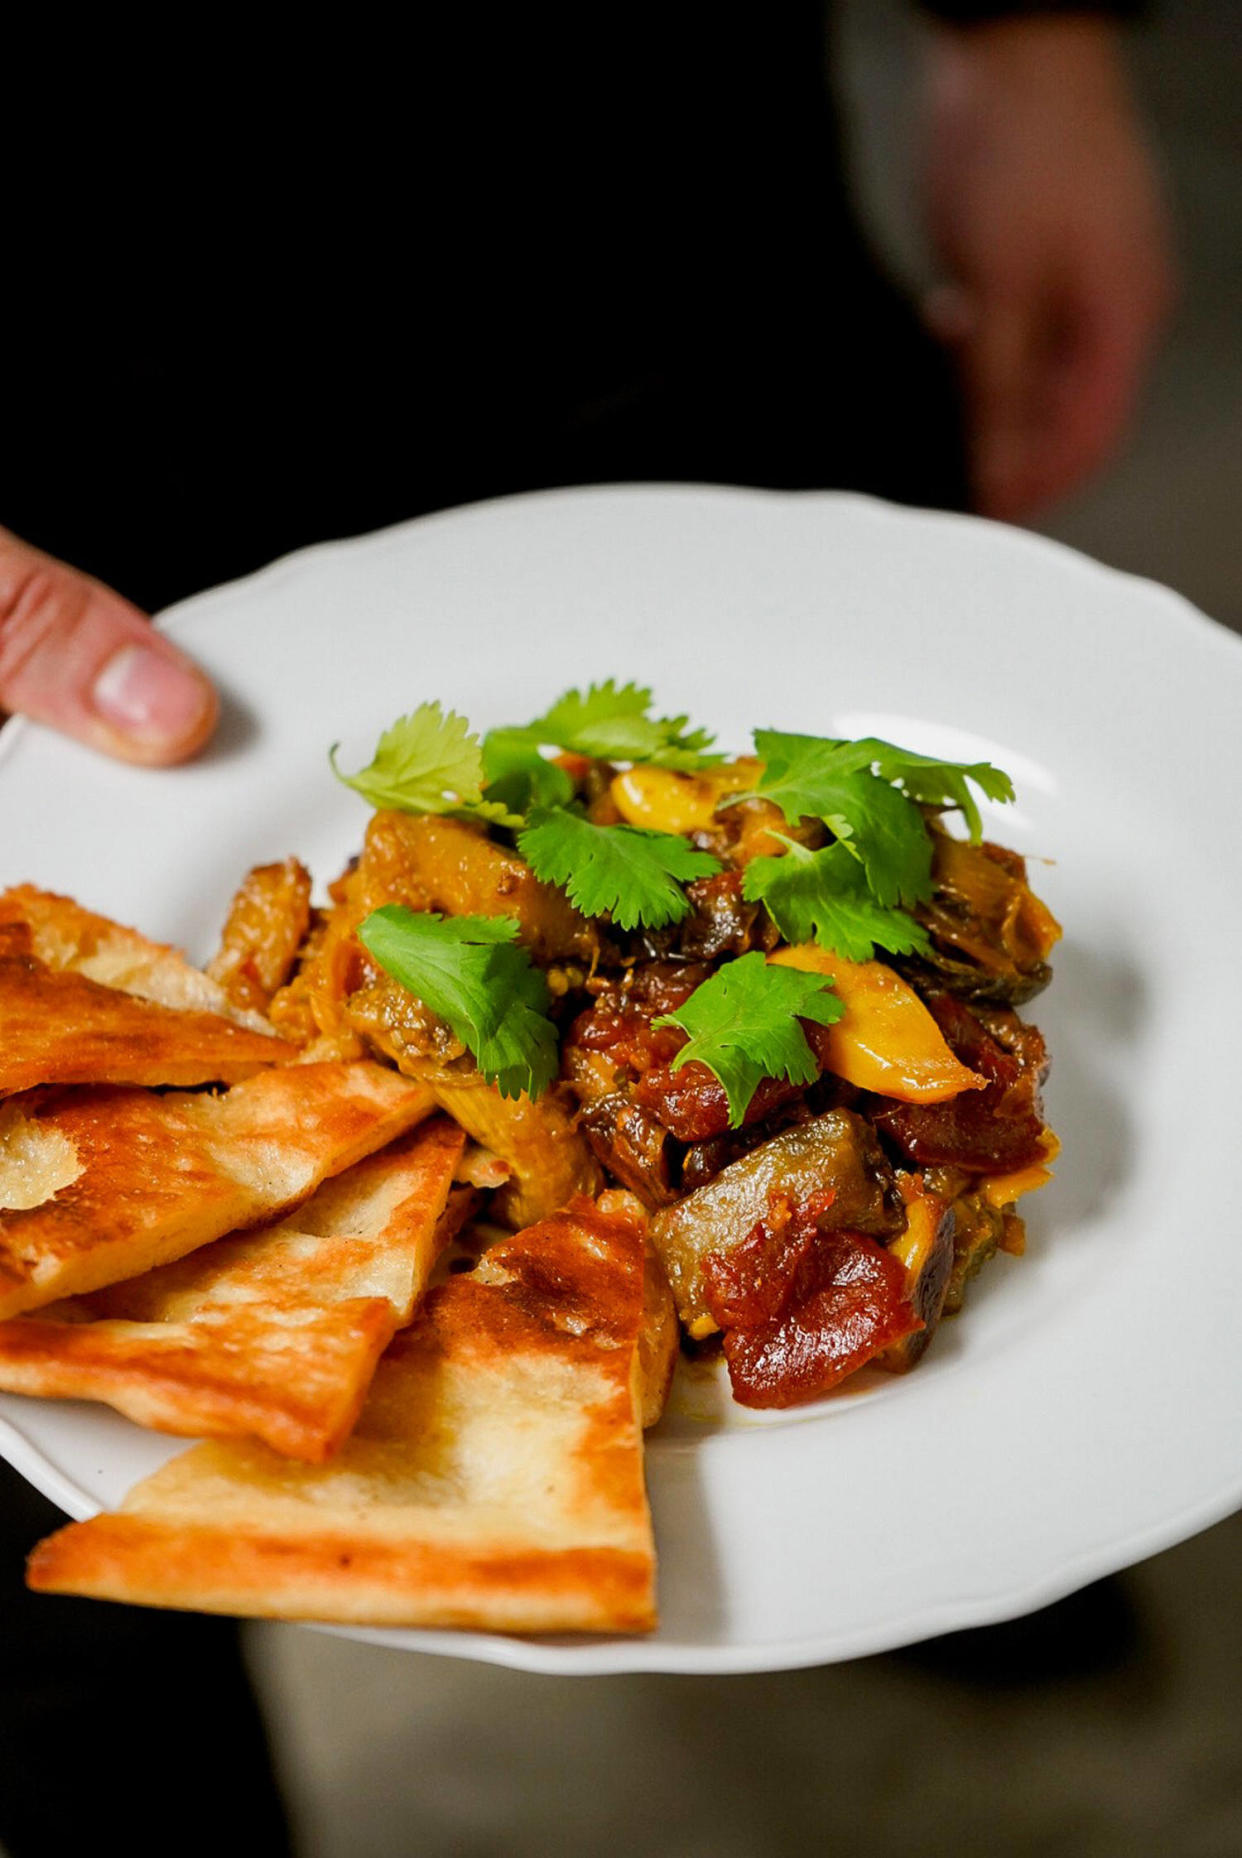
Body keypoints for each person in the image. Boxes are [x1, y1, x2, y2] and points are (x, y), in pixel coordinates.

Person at [0, 7, 1172, 1853]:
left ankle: (950, 1563)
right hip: (67, 436)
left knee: (984, 1479)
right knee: (67, 1681)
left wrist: (1031, 30)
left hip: (662, 226)